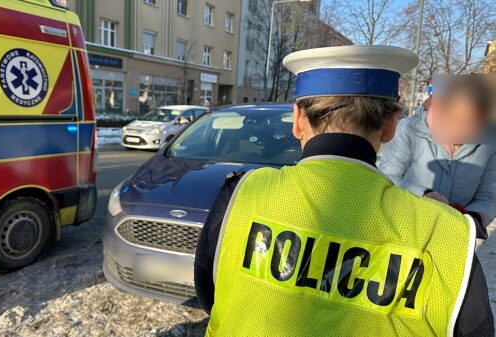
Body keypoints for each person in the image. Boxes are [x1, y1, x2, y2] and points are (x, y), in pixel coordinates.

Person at [194, 46, 493, 337]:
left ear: (298, 120)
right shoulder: (446, 234)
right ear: (390, 124)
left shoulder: (242, 193)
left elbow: (210, 293)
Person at [379, 75, 496, 239]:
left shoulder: (490, 143)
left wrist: (472, 219)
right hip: (402, 232)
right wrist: (424, 195)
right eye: (457, 119)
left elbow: (488, 197)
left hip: (453, 237)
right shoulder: (409, 130)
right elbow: (386, 178)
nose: (463, 128)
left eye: (472, 122)